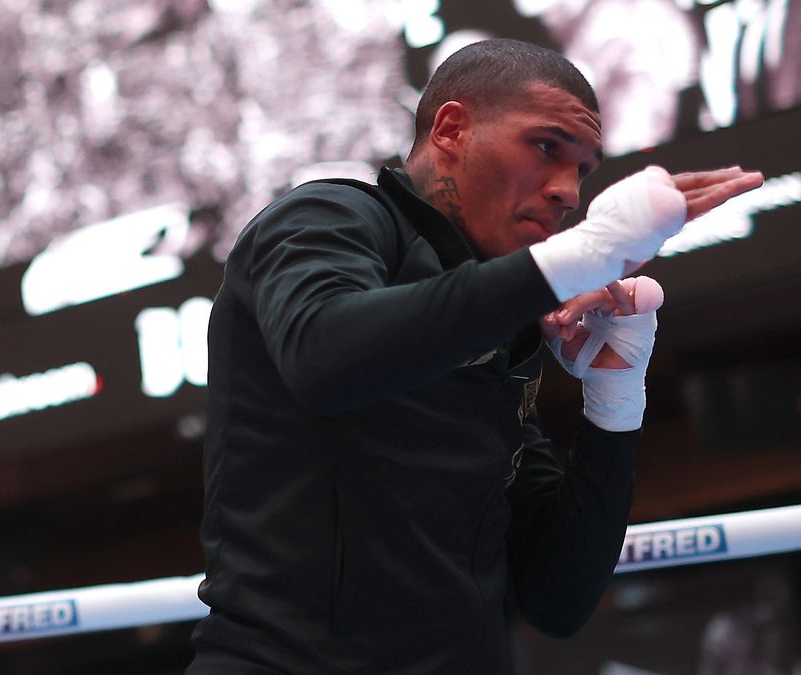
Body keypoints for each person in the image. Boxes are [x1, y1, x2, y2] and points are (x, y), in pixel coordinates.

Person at [187, 38, 762, 674]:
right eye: (546, 148)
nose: (569, 193)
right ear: (452, 130)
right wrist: (579, 256)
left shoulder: (501, 327)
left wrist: (614, 403)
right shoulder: (326, 218)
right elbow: (325, 358)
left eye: (583, 170)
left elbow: (557, 600)